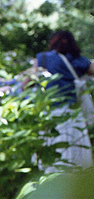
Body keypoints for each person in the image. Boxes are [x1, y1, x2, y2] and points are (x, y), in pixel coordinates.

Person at [34, 30, 94, 173]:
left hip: (49, 114)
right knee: (75, 151)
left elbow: (25, 84)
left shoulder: (42, 58)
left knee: (51, 151)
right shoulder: (79, 61)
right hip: (71, 115)